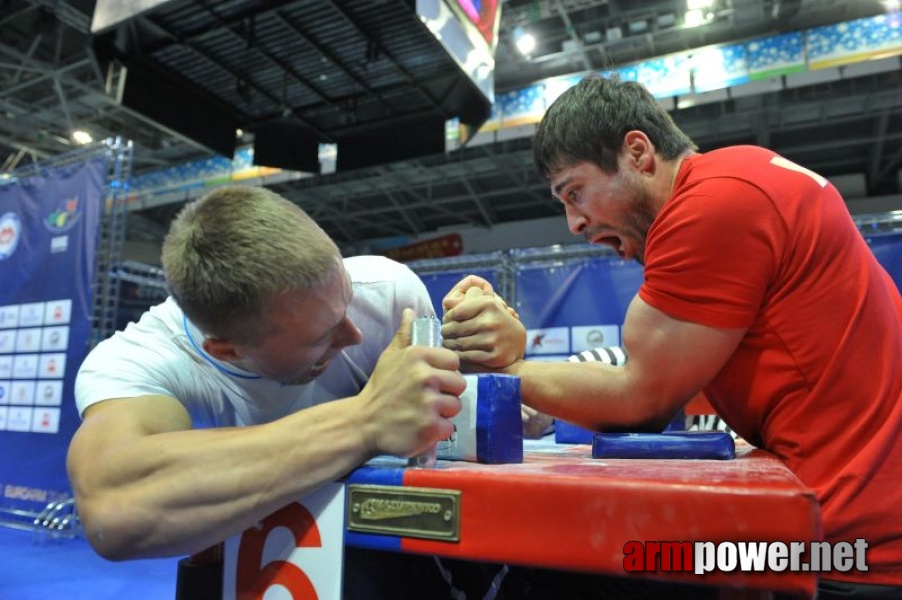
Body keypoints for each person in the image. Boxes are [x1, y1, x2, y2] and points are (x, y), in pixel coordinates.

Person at [441, 74, 902, 597]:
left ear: (637, 152)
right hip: (852, 524)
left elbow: (641, 400)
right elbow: (658, 381)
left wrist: (510, 367)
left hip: (848, 546)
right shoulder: (741, 176)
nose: (573, 222)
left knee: (600, 569)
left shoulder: (714, 204)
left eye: (576, 192)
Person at [66, 185, 522, 581]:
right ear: (227, 349)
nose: (354, 336)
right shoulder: (143, 360)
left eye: (346, 302)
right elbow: (114, 506)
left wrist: (506, 359)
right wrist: (364, 420)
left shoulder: (386, 291)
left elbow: (481, 433)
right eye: (323, 336)